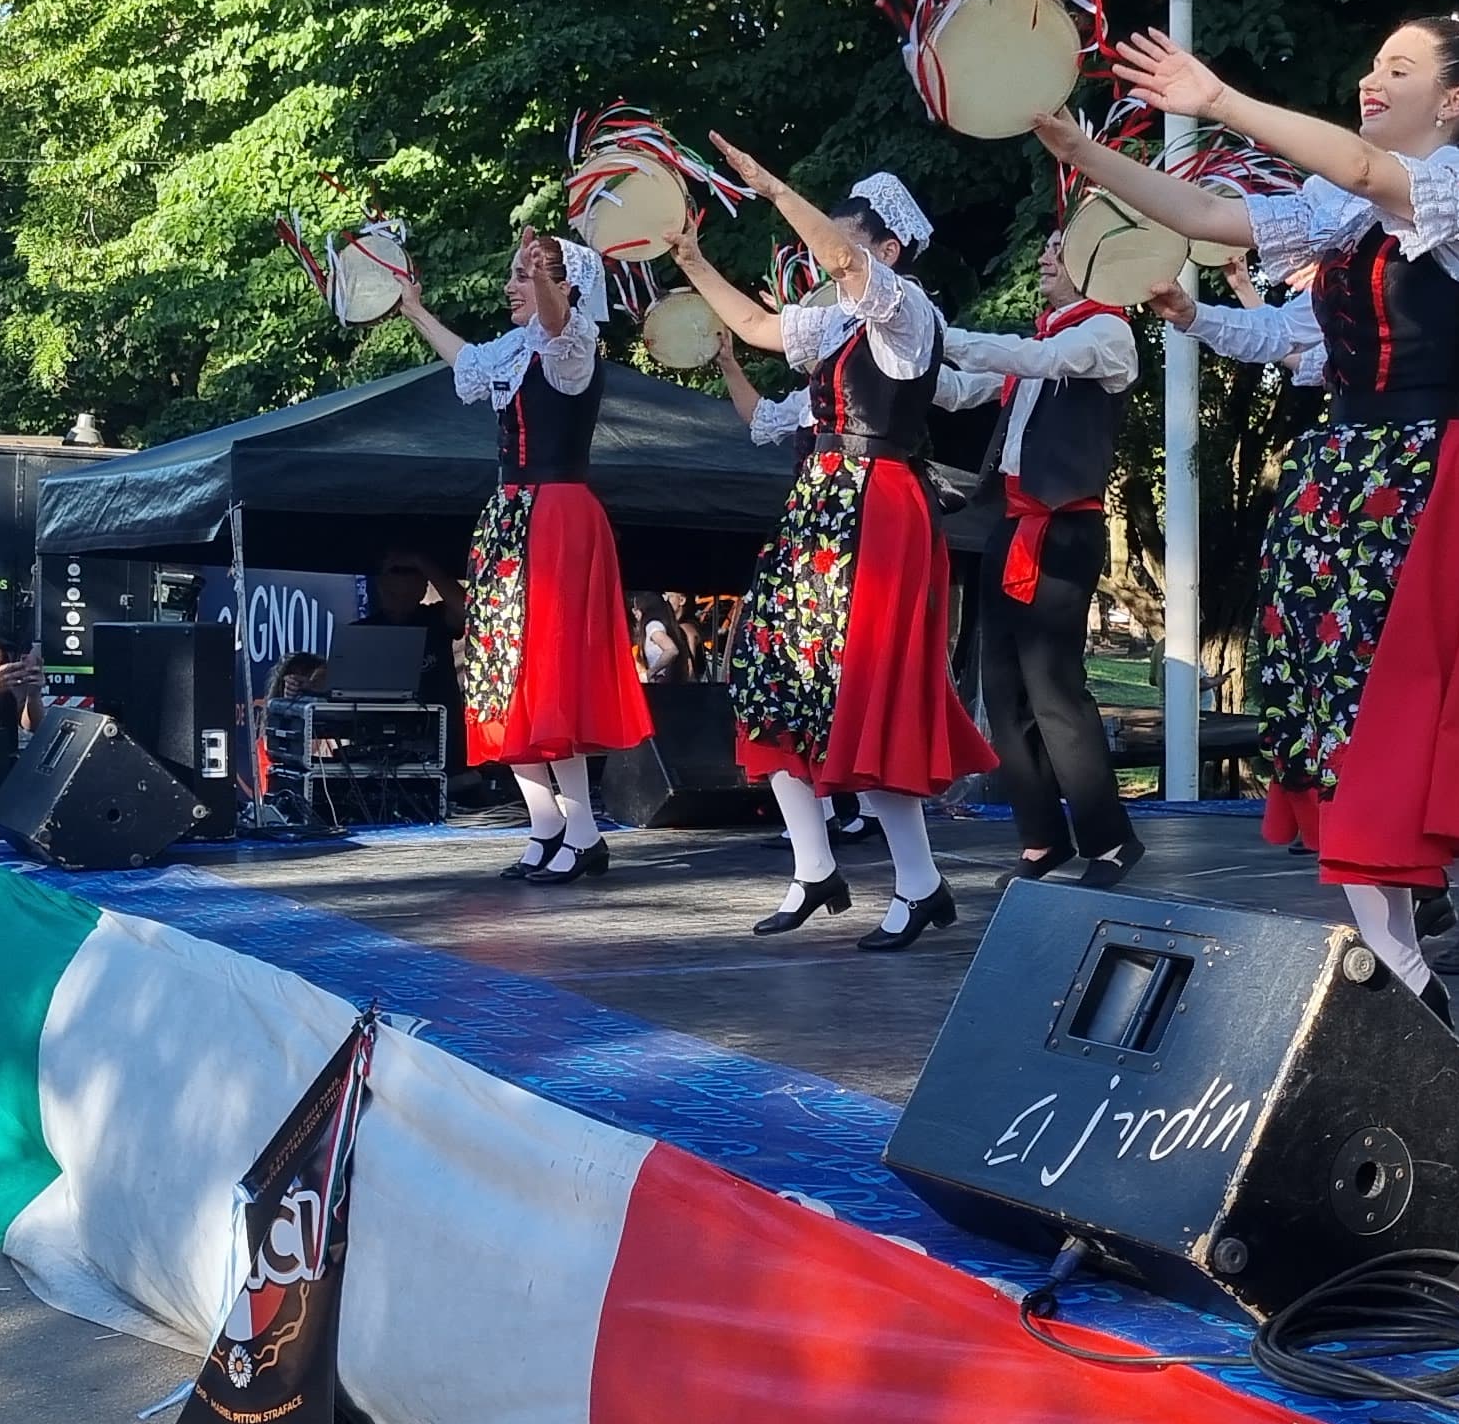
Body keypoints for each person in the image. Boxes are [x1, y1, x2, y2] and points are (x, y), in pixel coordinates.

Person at [1035, 10, 1459, 1015]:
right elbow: (1210, 218)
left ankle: (1443, 975)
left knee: (1387, 735)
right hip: (1349, 482)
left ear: (1456, 99)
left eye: (1398, 67)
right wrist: (1086, 156)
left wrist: (1218, 100)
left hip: (1436, 483)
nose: (1371, 81)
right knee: (1347, 739)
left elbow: (1374, 176)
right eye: (1372, 63)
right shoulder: (1346, 212)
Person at [668, 145, 996, 951]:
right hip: (821, 512)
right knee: (773, 681)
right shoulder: (837, 326)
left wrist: (775, 183)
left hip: (877, 511)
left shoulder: (908, 314)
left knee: (866, 698)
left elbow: (840, 258)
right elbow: (752, 324)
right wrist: (691, 256)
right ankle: (816, 869)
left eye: (836, 247)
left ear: (883, 252)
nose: (823, 261)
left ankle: (919, 885)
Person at [391, 232, 655, 884]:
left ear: (564, 286)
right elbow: (465, 360)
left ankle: (584, 831)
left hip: (558, 517)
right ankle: (545, 825)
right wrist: (414, 311)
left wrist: (544, 279)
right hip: (511, 518)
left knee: (548, 671)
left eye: (526, 274)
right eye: (515, 274)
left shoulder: (572, 346)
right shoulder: (512, 354)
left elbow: (557, 318)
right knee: (501, 674)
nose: (513, 284)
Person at [937, 234, 1144, 887]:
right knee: (1000, 687)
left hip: (1064, 529)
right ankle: (1041, 840)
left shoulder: (1105, 332)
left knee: (1053, 683)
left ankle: (1109, 841)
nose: (1045, 260)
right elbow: (954, 391)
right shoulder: (1043, 343)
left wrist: (938, 331)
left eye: (1059, 250)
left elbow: (1041, 358)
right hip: (1013, 523)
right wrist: (896, 344)